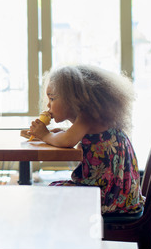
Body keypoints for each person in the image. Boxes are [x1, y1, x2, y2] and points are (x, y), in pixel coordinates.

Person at [28, 65, 144, 215]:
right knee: (54, 189)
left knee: (51, 194)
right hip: (120, 196)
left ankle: (65, 233)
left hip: (107, 200)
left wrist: (45, 135)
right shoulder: (94, 116)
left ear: (73, 100)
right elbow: (73, 136)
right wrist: (61, 133)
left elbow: (68, 141)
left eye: (52, 98)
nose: (48, 105)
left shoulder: (87, 117)